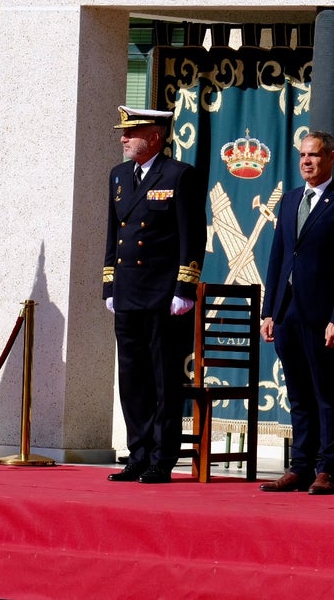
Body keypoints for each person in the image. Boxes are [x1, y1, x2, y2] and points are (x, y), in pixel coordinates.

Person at [103, 106, 206, 484]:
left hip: (163, 297)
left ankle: (162, 458)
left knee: (164, 379)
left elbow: (192, 237)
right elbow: (112, 236)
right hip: (128, 293)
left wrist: (184, 288)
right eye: (124, 133)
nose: (123, 139)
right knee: (132, 379)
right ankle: (138, 453)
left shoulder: (179, 175)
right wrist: (109, 285)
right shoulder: (118, 177)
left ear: (156, 135)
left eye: (132, 132)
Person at [258, 131, 334, 495]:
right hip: (287, 314)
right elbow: (277, 258)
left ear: (331, 158)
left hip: (322, 316)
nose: (306, 162)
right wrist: (269, 310)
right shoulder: (289, 200)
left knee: (326, 394)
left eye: (314, 155)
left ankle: (327, 469)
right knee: (298, 393)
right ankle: (299, 466)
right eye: (302, 155)